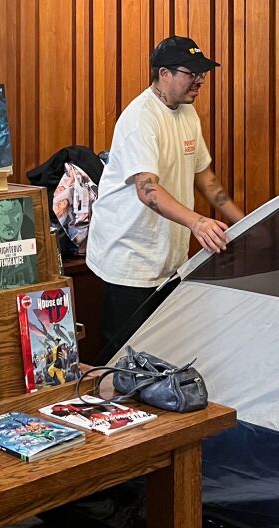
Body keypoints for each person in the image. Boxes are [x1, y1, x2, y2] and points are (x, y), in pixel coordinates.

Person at [87, 36, 245, 358]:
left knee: (165, 357)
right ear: (164, 74)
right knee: (125, 363)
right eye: (192, 72)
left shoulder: (187, 113)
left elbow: (205, 176)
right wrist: (198, 222)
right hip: (129, 260)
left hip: (169, 261)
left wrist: (247, 221)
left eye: (204, 72)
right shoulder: (140, 119)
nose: (200, 80)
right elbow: (148, 191)